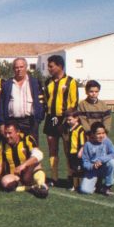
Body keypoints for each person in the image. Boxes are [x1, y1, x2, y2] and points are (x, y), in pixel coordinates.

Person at [43, 55, 78, 186]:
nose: (49, 69)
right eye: (48, 66)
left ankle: (70, 175)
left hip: (65, 119)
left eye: (51, 66)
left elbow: (74, 103)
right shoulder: (48, 82)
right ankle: (54, 177)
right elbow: (46, 102)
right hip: (51, 118)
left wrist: (67, 119)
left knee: (68, 149)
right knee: (52, 148)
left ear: (60, 66)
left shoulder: (71, 82)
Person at [0, 122, 48, 198]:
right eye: (5, 133)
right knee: (5, 182)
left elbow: (38, 154)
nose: (7, 136)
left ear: (18, 132)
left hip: (28, 172)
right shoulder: (3, 143)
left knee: (36, 163)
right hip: (14, 175)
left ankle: (41, 185)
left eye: (10, 133)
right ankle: (30, 188)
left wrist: (23, 165)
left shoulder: (27, 139)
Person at [0, 57, 44, 142]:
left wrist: (38, 118)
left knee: (31, 148)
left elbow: (41, 101)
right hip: (12, 122)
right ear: (13, 69)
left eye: (21, 67)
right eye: (16, 67)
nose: (19, 69)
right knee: (13, 149)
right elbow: (1, 104)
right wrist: (1, 123)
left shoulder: (35, 82)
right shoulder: (7, 84)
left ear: (26, 67)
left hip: (30, 122)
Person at [79, 122, 114, 196]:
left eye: (103, 133)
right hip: (92, 171)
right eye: (98, 134)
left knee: (113, 163)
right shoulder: (88, 144)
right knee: (85, 190)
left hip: (104, 168)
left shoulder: (107, 141)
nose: (101, 136)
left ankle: (107, 187)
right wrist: (93, 165)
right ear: (93, 134)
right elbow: (85, 162)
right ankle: (97, 184)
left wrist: (101, 160)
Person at [63, 109, 86, 191]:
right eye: (67, 120)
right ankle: (74, 185)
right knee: (72, 169)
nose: (68, 121)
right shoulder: (69, 129)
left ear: (76, 118)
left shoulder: (80, 129)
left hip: (77, 153)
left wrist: (81, 151)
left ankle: (80, 185)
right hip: (71, 153)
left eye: (70, 120)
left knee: (79, 169)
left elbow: (83, 143)